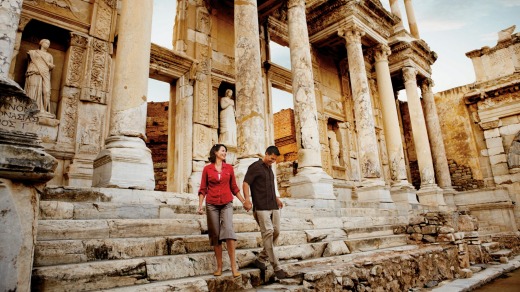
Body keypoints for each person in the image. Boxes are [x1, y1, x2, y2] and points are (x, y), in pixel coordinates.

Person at [198, 144, 250, 277]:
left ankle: (233, 267)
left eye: (226, 151)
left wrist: (244, 201)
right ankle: (219, 267)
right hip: (211, 204)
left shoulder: (229, 168)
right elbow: (203, 188)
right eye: (222, 150)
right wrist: (200, 205)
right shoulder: (207, 169)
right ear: (215, 152)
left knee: (228, 230)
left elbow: (234, 187)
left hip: (226, 202)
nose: (225, 153)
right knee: (215, 235)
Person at [242, 146, 287, 279]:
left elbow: (271, 186)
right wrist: (247, 199)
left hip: (273, 205)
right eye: (271, 158)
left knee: (276, 231)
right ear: (266, 154)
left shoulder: (270, 169)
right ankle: (277, 267)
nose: (272, 161)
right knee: (268, 233)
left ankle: (261, 259)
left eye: (274, 160)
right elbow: (245, 183)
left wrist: (277, 199)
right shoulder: (255, 166)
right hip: (261, 207)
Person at [24, 39, 55, 116]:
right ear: (41, 43)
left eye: (49, 44)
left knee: (46, 91)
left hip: (44, 73)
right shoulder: (33, 52)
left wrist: (50, 66)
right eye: (46, 43)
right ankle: (31, 107)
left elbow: (51, 66)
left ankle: (44, 109)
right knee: (33, 88)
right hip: (34, 72)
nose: (48, 45)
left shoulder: (49, 55)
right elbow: (30, 61)